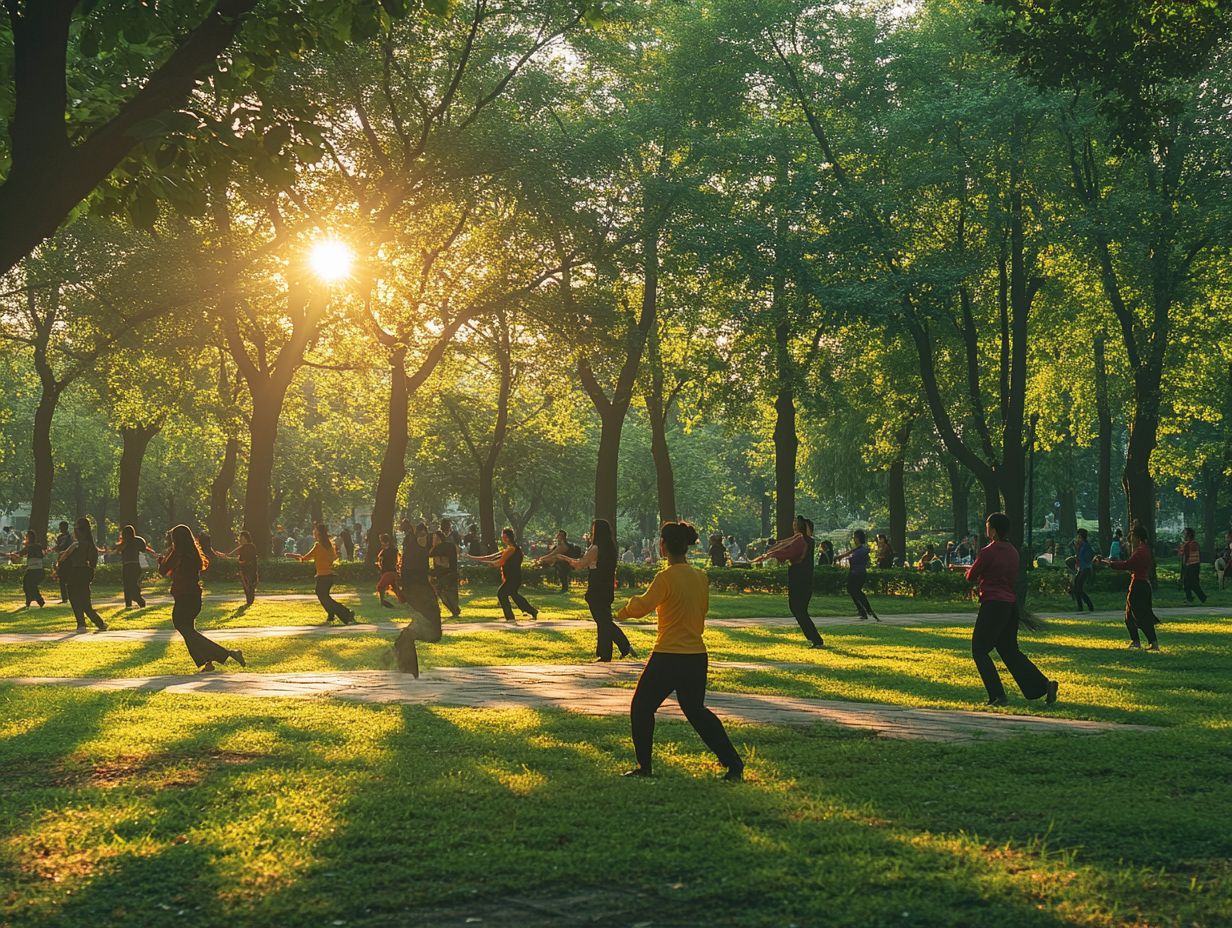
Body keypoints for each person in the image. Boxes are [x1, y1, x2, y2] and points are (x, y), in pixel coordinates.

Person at [616, 521, 744, 781]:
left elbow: (642, 607)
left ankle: (645, 767)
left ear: (663, 546)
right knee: (696, 711)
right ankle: (733, 764)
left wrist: (623, 609)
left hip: (668, 656)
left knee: (641, 708)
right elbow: (702, 610)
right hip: (696, 656)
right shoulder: (700, 577)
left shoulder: (665, 578)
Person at [964, 512, 1058, 707]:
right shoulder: (1013, 551)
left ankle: (998, 695)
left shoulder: (989, 551)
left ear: (995, 529)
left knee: (979, 650)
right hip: (1009, 605)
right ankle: (1043, 685)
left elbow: (971, 576)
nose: (986, 528)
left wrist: (967, 570)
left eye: (988, 525)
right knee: (1009, 650)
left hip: (992, 604)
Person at [159, 524, 245, 672]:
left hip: (184, 597)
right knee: (189, 631)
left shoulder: (178, 553)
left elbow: (163, 570)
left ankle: (227, 653)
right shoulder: (193, 553)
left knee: (183, 627)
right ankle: (208, 662)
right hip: (194, 597)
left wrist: (162, 561)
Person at [555, 518, 635, 663]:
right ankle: (610, 651)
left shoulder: (595, 548)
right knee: (603, 619)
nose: (591, 532)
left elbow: (580, 564)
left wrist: (564, 558)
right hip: (606, 586)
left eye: (593, 529)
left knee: (602, 620)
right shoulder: (610, 548)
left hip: (596, 586)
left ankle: (619, 648)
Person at [753, 516, 824, 648]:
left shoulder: (801, 540)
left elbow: (788, 551)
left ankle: (816, 639)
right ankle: (815, 638)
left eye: (796, 523)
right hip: (803, 578)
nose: (793, 525)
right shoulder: (805, 540)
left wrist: (770, 555)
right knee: (798, 609)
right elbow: (784, 546)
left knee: (798, 608)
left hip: (799, 578)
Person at [1099, 522, 1161, 651]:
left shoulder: (1141, 551)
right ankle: (1136, 642)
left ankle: (1153, 643)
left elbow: (1128, 564)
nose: (1130, 537)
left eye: (1132, 534)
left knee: (1141, 615)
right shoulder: (1143, 549)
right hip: (1140, 583)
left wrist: (1110, 564)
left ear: (1138, 536)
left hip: (1139, 585)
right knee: (1129, 615)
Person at [466, 527, 539, 624]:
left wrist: (491, 564)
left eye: (503, 536)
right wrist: (473, 558)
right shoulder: (509, 549)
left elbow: (500, 562)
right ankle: (532, 611)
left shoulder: (512, 549)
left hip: (513, 578)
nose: (502, 538)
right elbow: (491, 557)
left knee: (501, 593)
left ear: (507, 537)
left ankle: (510, 618)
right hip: (513, 577)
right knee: (514, 595)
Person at [290, 523, 357, 625]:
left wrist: (296, 556)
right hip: (328, 576)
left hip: (322, 576)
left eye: (315, 530)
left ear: (319, 532)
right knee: (324, 597)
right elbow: (333, 559)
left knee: (323, 596)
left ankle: (346, 613)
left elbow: (306, 557)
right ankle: (333, 615)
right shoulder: (329, 545)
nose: (314, 531)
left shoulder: (318, 546)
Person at [57, 517, 107, 632]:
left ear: (78, 530)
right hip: (86, 573)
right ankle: (99, 623)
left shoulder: (76, 545)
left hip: (75, 573)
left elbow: (62, 558)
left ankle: (81, 624)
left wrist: (63, 554)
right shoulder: (92, 546)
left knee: (75, 599)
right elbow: (93, 563)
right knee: (85, 601)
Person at [835, 529, 880, 622]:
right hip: (856, 573)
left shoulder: (861, 550)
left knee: (855, 591)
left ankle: (867, 610)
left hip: (857, 573)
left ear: (858, 538)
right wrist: (841, 557)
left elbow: (856, 558)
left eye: (855, 537)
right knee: (853, 591)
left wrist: (847, 558)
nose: (854, 539)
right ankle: (864, 611)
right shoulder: (858, 549)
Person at [114, 524, 156, 609]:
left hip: (127, 565)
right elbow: (144, 549)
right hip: (135, 565)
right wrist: (153, 552)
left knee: (128, 586)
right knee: (133, 584)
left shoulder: (124, 543)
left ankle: (133, 601)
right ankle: (136, 600)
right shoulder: (138, 540)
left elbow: (117, 551)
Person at [7, 530, 49, 608]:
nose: (25, 538)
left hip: (33, 570)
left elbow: (21, 553)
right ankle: (32, 601)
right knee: (30, 585)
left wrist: (13, 554)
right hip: (39, 570)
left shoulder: (30, 547)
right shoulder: (38, 546)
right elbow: (40, 555)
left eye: (26, 536)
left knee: (29, 585)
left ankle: (36, 601)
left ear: (29, 538)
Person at [431, 519, 462, 618]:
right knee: (445, 591)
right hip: (447, 570)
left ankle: (454, 609)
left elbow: (443, 560)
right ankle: (454, 609)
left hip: (445, 570)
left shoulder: (443, 544)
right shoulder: (449, 541)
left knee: (444, 590)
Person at [221, 531, 260, 606]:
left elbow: (246, 560)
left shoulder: (250, 547)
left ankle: (250, 601)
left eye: (241, 538)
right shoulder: (242, 547)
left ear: (246, 539)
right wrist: (226, 555)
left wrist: (231, 558)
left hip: (250, 570)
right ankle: (248, 601)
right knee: (246, 587)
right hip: (243, 570)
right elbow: (232, 554)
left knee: (250, 586)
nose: (240, 540)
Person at [1178, 528, 1206, 605]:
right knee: (1191, 583)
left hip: (1190, 565)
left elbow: (1183, 554)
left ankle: (1194, 598)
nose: (1184, 535)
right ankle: (1197, 598)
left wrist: (1181, 549)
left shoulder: (1187, 544)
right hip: (1196, 565)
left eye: (1185, 533)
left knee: (1189, 583)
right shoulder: (1194, 543)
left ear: (1189, 535)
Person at [374, 532, 404, 608]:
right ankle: (403, 600)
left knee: (380, 587)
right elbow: (399, 560)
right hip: (393, 571)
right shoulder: (394, 550)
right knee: (394, 588)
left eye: (381, 541)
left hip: (388, 572)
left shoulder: (385, 551)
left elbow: (380, 561)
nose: (381, 543)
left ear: (384, 541)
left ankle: (382, 602)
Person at [1071, 529, 1096, 612]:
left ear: (1081, 537)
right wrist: (1076, 550)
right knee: (1076, 587)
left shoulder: (1086, 546)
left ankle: (1089, 606)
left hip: (1086, 569)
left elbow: (1087, 558)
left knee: (1079, 588)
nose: (1077, 539)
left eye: (1078, 537)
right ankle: (1080, 607)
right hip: (1081, 568)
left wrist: (1078, 550)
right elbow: (1079, 557)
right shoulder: (1081, 546)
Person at [53, 521, 73, 602]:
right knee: (61, 578)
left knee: (68, 579)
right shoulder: (60, 537)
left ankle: (69, 596)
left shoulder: (69, 537)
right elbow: (58, 547)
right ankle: (64, 597)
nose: (60, 528)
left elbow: (66, 547)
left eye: (61, 527)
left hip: (68, 560)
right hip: (61, 559)